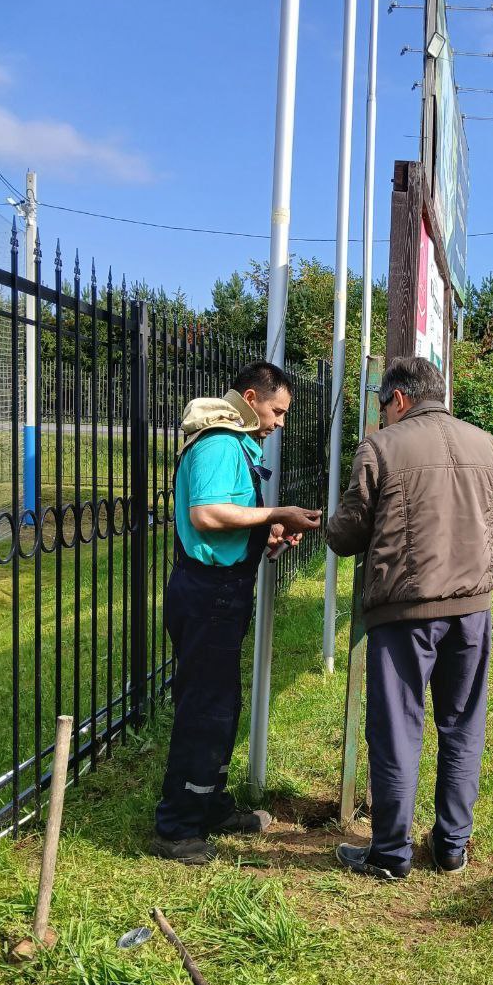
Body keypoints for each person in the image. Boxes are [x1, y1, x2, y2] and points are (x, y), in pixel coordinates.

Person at [326, 355, 493, 880]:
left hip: (402, 612)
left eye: (382, 405)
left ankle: (391, 854)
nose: (382, 414)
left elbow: (347, 534)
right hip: (471, 611)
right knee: (463, 724)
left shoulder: (380, 447)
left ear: (397, 398)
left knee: (397, 728)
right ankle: (451, 847)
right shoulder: (490, 444)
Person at [151, 361, 321, 865]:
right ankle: (177, 826)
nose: (279, 423)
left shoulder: (232, 442)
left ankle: (209, 803)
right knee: (205, 709)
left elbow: (225, 519)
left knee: (221, 707)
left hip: (219, 591)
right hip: (208, 594)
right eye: (277, 411)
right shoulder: (221, 442)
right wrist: (275, 515)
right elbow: (206, 514)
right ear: (251, 397)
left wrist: (261, 535)